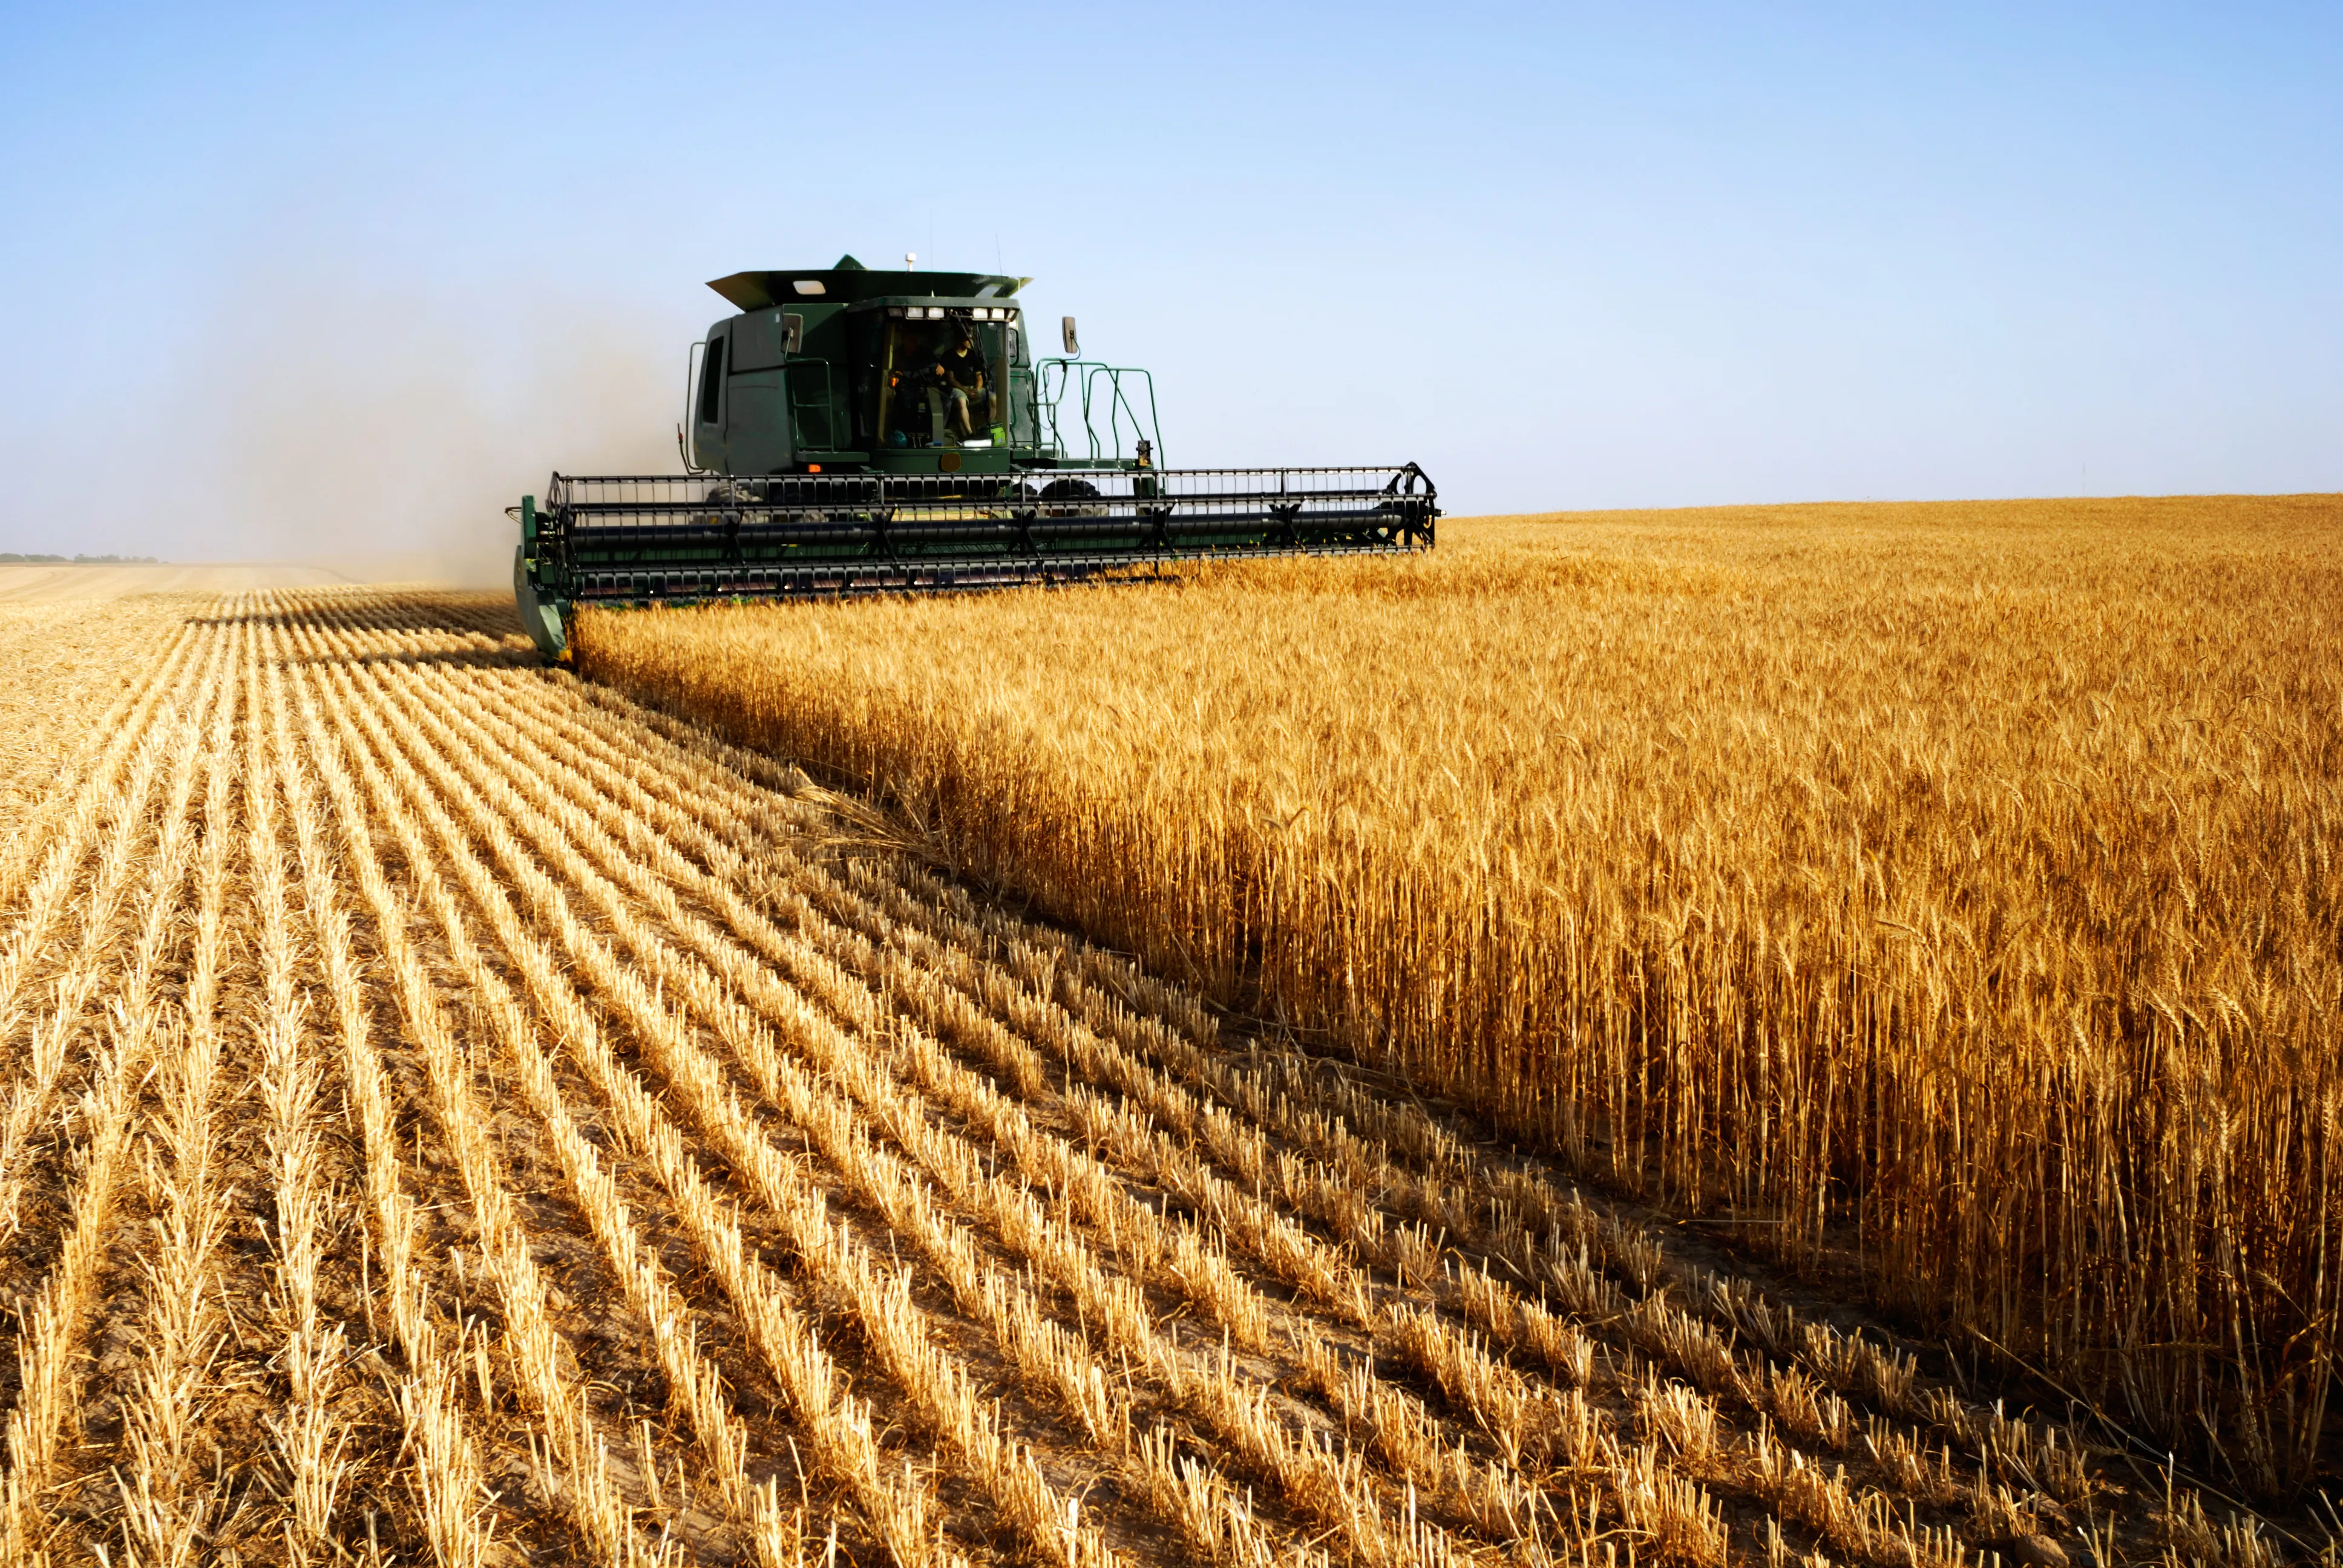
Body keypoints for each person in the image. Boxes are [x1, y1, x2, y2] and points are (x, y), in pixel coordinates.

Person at [930, 326, 992, 440]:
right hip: (958, 389)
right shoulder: (948, 356)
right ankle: (970, 434)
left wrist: (977, 390)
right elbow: (951, 380)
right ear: (959, 339)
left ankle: (990, 428)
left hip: (973, 389)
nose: (971, 342)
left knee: (993, 398)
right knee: (961, 401)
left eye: (972, 339)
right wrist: (967, 391)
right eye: (968, 339)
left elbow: (979, 376)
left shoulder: (974, 355)